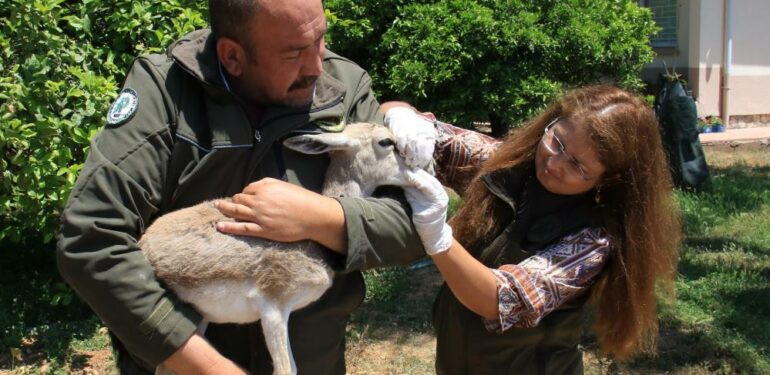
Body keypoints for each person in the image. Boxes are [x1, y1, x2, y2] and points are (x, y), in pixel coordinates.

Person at [56, 0, 442, 374]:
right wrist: (207, 368)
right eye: (293, 54)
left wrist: (319, 217)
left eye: (320, 39)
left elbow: (413, 223)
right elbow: (91, 236)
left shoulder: (347, 87)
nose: (316, 66)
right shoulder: (165, 91)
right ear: (232, 57)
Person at [404, 85, 682, 374]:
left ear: (608, 178)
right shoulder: (503, 165)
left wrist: (437, 236)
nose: (554, 163)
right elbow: (421, 130)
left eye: (577, 165)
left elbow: (499, 299)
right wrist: (403, 118)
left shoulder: (592, 242)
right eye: (557, 142)